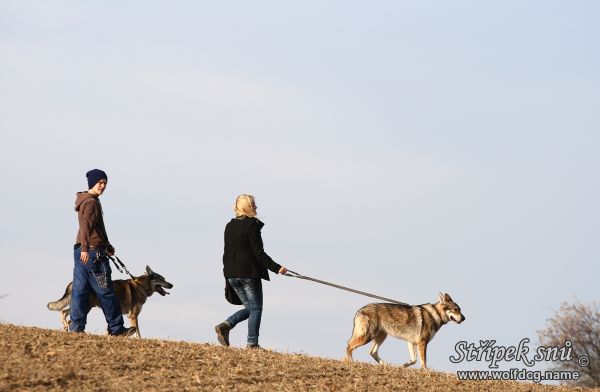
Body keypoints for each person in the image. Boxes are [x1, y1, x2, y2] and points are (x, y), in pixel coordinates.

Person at [69, 169, 136, 337]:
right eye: (99, 182)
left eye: (105, 183)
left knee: (80, 291)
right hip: (91, 253)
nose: (103, 186)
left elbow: (91, 229)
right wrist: (87, 248)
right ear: (92, 183)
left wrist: (106, 245)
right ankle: (116, 329)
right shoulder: (91, 202)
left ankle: (76, 328)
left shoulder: (84, 200)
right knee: (106, 292)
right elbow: (86, 226)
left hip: (82, 252)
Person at [215, 194, 287, 349]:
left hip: (231, 274)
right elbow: (259, 253)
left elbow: (226, 253)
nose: (256, 207)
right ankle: (252, 343)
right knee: (255, 308)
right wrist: (277, 268)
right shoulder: (252, 225)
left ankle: (226, 325)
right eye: (253, 204)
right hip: (248, 274)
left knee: (250, 308)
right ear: (246, 207)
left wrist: (227, 275)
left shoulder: (229, 225)